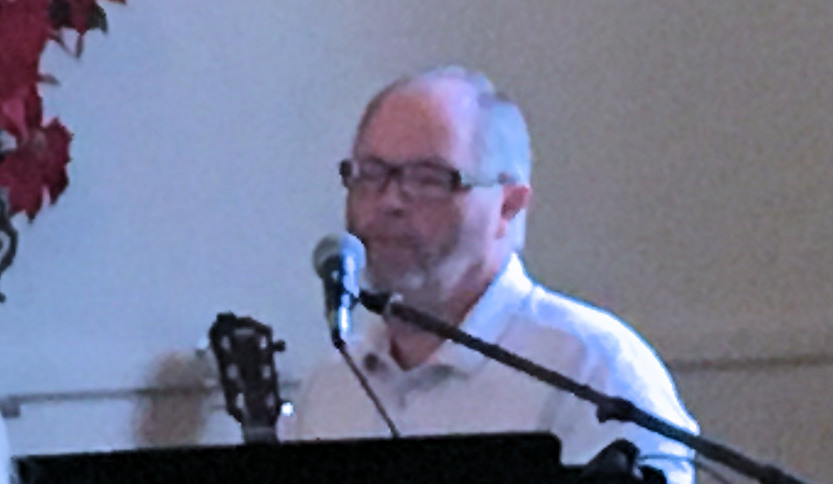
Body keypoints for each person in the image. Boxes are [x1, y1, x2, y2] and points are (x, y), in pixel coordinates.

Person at [288, 66, 699, 483]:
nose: (389, 201)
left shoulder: (592, 371)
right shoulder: (330, 386)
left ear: (508, 206)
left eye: (429, 180)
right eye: (371, 174)